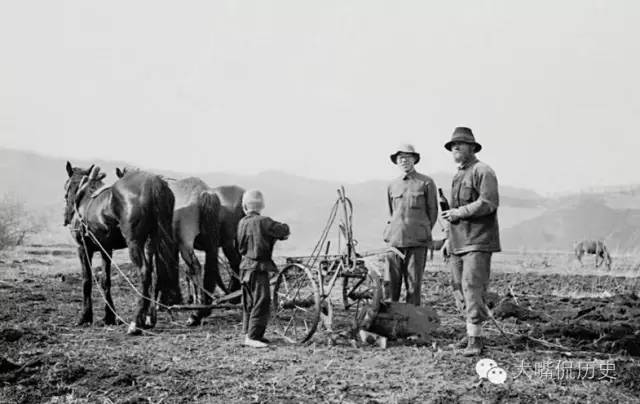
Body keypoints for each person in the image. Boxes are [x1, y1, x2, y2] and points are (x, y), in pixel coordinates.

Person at [441, 127, 500, 356]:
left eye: (460, 144)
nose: (455, 147)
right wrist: (448, 239)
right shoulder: (458, 175)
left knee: (472, 287)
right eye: (452, 145)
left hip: (477, 241)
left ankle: (475, 341)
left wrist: (459, 212)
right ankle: (470, 334)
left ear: (472, 148)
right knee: (459, 289)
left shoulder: (483, 171)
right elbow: (452, 214)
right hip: (458, 242)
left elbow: (488, 202)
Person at [383, 144, 438, 306]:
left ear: (415, 159)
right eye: (400, 158)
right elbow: (391, 213)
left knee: (413, 287)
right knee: (390, 286)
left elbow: (432, 212)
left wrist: (421, 232)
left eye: (408, 157)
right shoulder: (392, 185)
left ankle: (411, 324)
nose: (404, 161)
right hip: (394, 243)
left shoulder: (426, 183)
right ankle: (389, 323)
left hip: (416, 243)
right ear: (397, 162)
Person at [236, 189, 290, 348]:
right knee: (262, 301)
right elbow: (283, 230)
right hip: (258, 268)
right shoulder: (264, 221)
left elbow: (238, 245)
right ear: (262, 205)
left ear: (245, 206)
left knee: (248, 303)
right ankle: (253, 337)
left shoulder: (242, 222)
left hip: (244, 267)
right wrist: (283, 232)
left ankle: (248, 333)